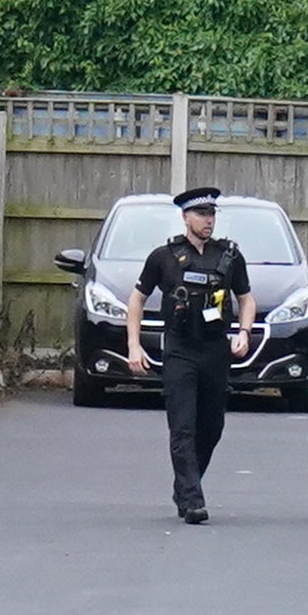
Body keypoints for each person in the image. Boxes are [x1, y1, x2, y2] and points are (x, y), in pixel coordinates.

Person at [126, 184, 259, 523]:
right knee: (182, 427)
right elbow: (137, 299)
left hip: (215, 350)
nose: (208, 220)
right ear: (185, 218)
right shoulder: (164, 257)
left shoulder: (228, 256)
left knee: (211, 426)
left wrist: (243, 332)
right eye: (201, 214)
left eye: (212, 214)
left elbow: (246, 298)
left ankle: (186, 482)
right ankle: (192, 499)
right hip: (181, 351)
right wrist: (134, 345)